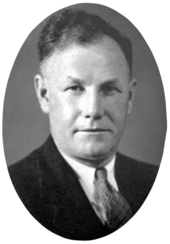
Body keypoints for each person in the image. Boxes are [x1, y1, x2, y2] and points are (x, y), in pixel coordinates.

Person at [7, 9, 160, 240]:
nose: (94, 110)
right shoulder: (18, 189)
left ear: (129, 97)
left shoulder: (152, 179)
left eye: (109, 89)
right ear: (44, 94)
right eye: (75, 88)